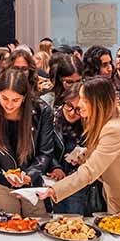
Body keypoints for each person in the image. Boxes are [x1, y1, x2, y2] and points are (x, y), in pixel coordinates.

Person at [46, 76, 120, 215]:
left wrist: (54, 190)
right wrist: (84, 156)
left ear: (98, 103)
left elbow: (90, 171)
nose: (79, 104)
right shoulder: (109, 115)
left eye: (84, 100)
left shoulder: (116, 128)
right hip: (117, 196)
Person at [0, 69, 55, 217]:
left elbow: (45, 152)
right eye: (4, 98)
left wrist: (29, 175)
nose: (9, 105)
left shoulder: (42, 111)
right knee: (8, 228)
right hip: (3, 184)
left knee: (37, 225)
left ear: (24, 97)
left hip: (33, 184)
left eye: (15, 100)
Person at [48, 84, 89, 215]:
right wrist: (55, 167)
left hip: (79, 180)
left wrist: (85, 159)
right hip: (53, 179)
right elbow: (44, 148)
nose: (72, 113)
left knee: (74, 220)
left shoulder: (89, 122)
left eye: (77, 109)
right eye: (69, 106)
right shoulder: (51, 117)